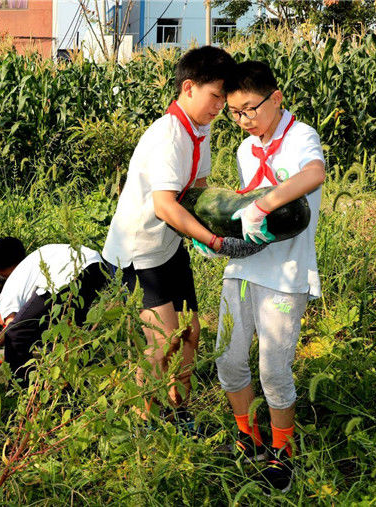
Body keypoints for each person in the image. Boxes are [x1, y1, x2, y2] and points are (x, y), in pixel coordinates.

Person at [101, 46, 239, 419]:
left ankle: (180, 412)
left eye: (224, 100)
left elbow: (198, 190)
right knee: (163, 345)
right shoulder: (168, 135)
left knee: (191, 332)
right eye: (215, 97)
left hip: (168, 244)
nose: (220, 107)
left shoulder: (199, 129)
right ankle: (147, 421)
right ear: (189, 87)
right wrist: (212, 240)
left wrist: (231, 215)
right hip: (140, 250)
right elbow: (165, 206)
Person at [207, 61, 326, 494]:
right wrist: (220, 239)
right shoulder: (243, 150)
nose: (243, 120)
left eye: (250, 110)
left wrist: (263, 204)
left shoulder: (300, 137)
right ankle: (248, 438)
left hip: (285, 273)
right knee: (229, 359)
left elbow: (314, 174)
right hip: (242, 269)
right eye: (234, 113)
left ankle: (283, 450)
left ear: (276, 98)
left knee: (273, 370)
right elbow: (247, 213)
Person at [0, 244, 107, 384]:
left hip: (70, 270)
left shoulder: (5, 295)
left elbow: (11, 327)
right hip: (95, 265)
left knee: (16, 336)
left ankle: (19, 389)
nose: (1, 323)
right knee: (71, 329)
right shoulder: (17, 279)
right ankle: (82, 378)